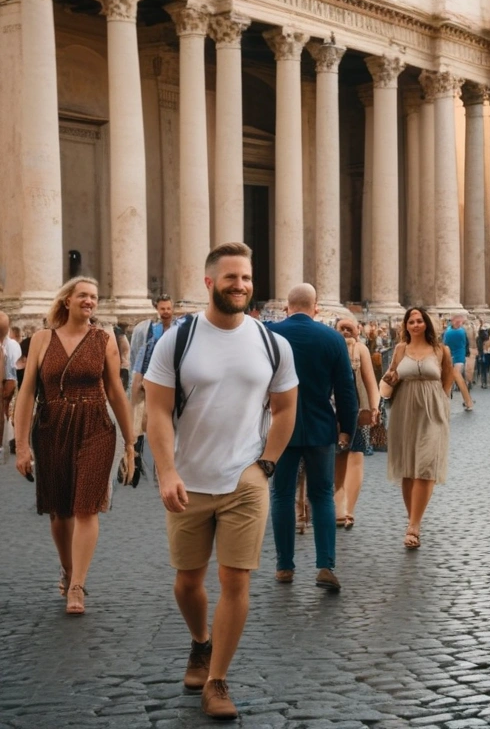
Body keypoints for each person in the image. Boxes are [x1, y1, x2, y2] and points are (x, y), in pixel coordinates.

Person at [144, 242, 298, 720]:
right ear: (209, 282)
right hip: (188, 479)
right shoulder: (178, 339)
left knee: (236, 581)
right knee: (188, 582)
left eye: (247, 278)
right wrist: (166, 471)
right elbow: (157, 410)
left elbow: (287, 406)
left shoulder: (274, 343)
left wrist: (266, 465)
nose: (241, 286)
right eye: (231, 278)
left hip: (245, 480)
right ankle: (200, 641)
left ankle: (218, 680)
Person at [13, 277, 136, 615]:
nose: (90, 301)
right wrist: (21, 445)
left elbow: (116, 393)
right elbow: (25, 395)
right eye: (83, 295)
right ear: (67, 300)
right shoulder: (40, 340)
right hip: (51, 427)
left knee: (86, 507)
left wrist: (130, 441)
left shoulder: (105, 339)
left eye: (94, 297)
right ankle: (67, 570)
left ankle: (78, 585)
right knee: (60, 509)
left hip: (96, 426)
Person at [266, 284, 357, 591]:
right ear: (316, 308)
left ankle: (284, 566)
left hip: (280, 429)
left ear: (286, 308)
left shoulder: (270, 334)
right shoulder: (332, 338)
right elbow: (346, 388)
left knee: (281, 494)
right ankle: (325, 565)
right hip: (321, 428)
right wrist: (347, 427)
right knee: (322, 495)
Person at [380, 307, 454, 549]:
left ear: (427, 324)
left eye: (419, 320)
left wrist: (443, 402)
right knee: (408, 468)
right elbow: (391, 375)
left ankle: (414, 525)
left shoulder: (441, 351)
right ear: (406, 325)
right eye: (411, 321)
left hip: (432, 412)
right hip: (404, 410)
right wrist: (390, 378)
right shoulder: (401, 349)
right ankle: (412, 518)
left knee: (426, 465)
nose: (415, 324)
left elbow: (448, 379)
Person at [334, 318, 380, 529]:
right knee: (337, 458)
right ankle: (338, 507)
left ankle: (349, 509)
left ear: (357, 331)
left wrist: (375, 407)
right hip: (334, 411)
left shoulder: (360, 349)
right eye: (341, 328)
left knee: (355, 457)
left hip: (357, 411)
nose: (344, 332)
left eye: (348, 328)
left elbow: (370, 381)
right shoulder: (332, 347)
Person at [129, 294, 176, 478]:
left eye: (168, 308)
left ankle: (163, 465)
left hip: (170, 383)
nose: (165, 312)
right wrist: (138, 378)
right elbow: (143, 352)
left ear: (172, 309)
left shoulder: (178, 329)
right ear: (157, 309)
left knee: (166, 424)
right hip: (150, 380)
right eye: (162, 309)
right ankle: (139, 459)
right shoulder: (151, 330)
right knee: (143, 421)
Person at [442, 315, 474, 411]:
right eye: (457, 321)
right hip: (454, 356)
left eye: (459, 321)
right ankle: (467, 402)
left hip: (457, 356)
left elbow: (445, 343)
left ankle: (447, 400)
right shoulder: (460, 331)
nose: (458, 323)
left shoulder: (453, 332)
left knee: (455, 379)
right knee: (457, 379)